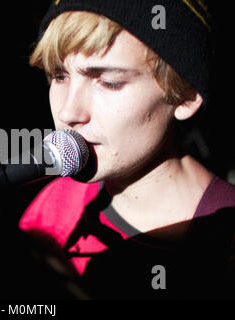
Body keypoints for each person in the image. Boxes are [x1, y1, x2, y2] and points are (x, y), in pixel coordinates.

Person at [19, 0, 235, 299]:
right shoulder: (55, 205)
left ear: (184, 95)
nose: (69, 111)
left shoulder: (225, 243)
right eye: (59, 76)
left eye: (108, 82)